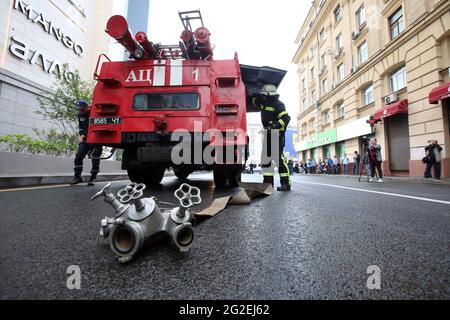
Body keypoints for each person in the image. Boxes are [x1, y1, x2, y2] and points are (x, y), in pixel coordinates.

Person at [252, 84, 291, 191]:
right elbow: (255, 103)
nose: (262, 97)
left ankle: (285, 184)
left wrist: (274, 126)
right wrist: (255, 95)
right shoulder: (264, 104)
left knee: (278, 159)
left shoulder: (278, 105)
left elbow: (286, 118)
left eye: (264, 95)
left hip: (276, 134)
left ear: (269, 95)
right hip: (267, 134)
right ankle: (268, 184)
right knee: (266, 159)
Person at [71, 100, 103, 186]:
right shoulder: (81, 114)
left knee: (95, 158)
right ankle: (77, 177)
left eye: (81, 109)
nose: (80, 110)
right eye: (78, 109)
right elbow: (81, 127)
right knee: (78, 156)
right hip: (85, 139)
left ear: (87, 107)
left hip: (96, 139)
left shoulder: (95, 111)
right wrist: (81, 135)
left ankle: (93, 177)